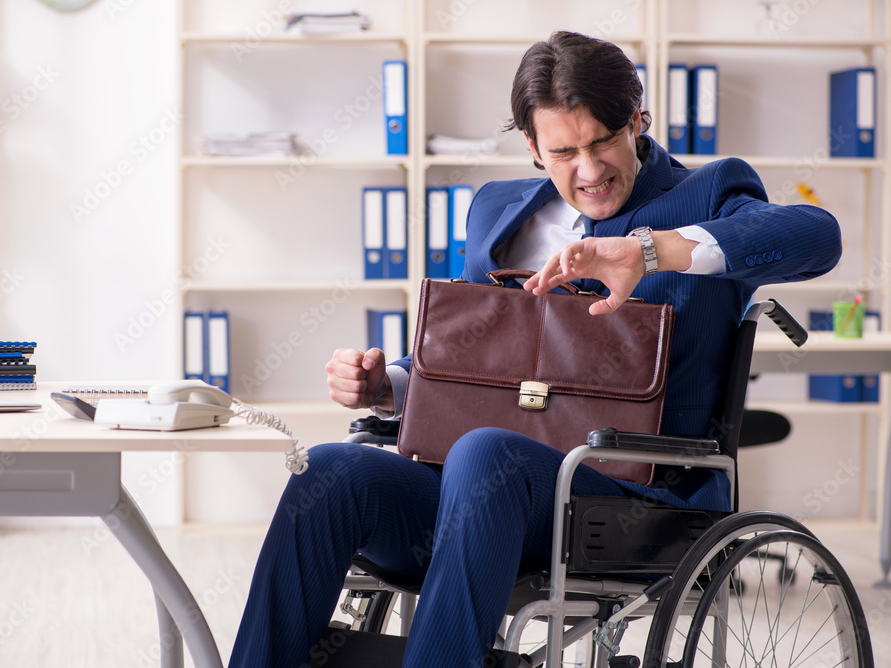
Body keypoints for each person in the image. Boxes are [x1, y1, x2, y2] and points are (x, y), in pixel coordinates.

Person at [228, 30, 841, 667]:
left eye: (604, 139)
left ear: (637, 120)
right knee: (330, 470)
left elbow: (816, 237)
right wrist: (392, 387)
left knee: (484, 451)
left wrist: (651, 250)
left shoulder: (706, 194)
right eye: (564, 151)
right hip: (476, 491)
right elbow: (470, 353)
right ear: (531, 147)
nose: (590, 169)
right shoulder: (496, 211)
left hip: (629, 496)